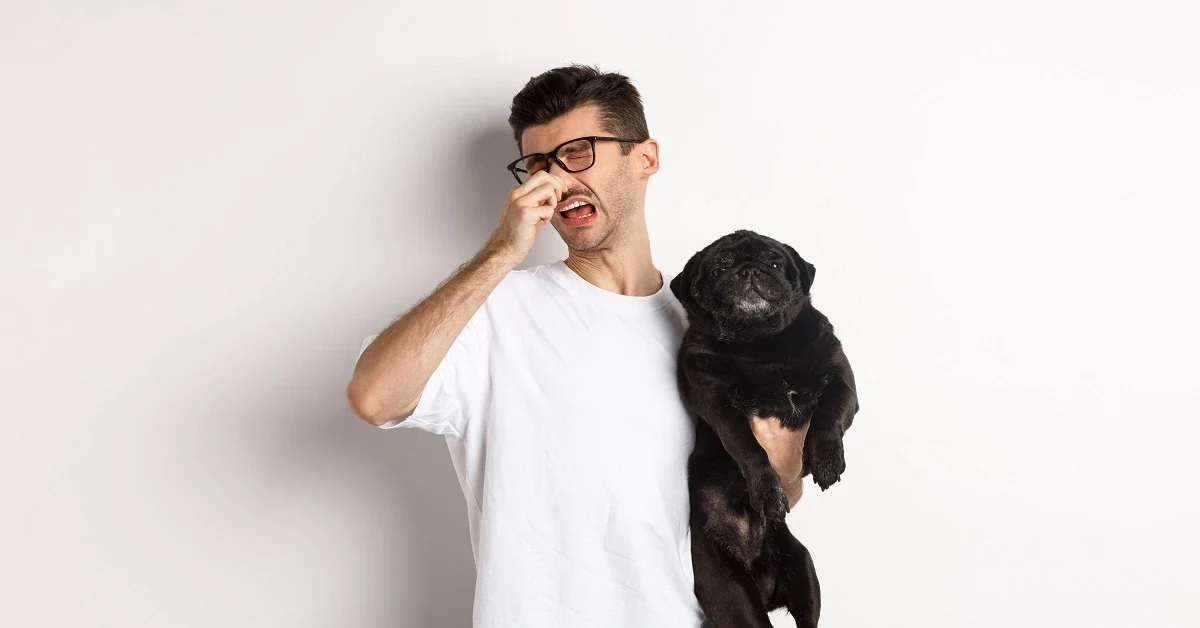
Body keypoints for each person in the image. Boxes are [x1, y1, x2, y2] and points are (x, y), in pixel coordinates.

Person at [347, 64, 807, 628]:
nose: (557, 180)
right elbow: (375, 397)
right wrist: (500, 253)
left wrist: (786, 461)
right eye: (538, 164)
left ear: (645, 158)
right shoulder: (495, 310)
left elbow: (768, 498)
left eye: (578, 153)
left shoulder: (708, 328)